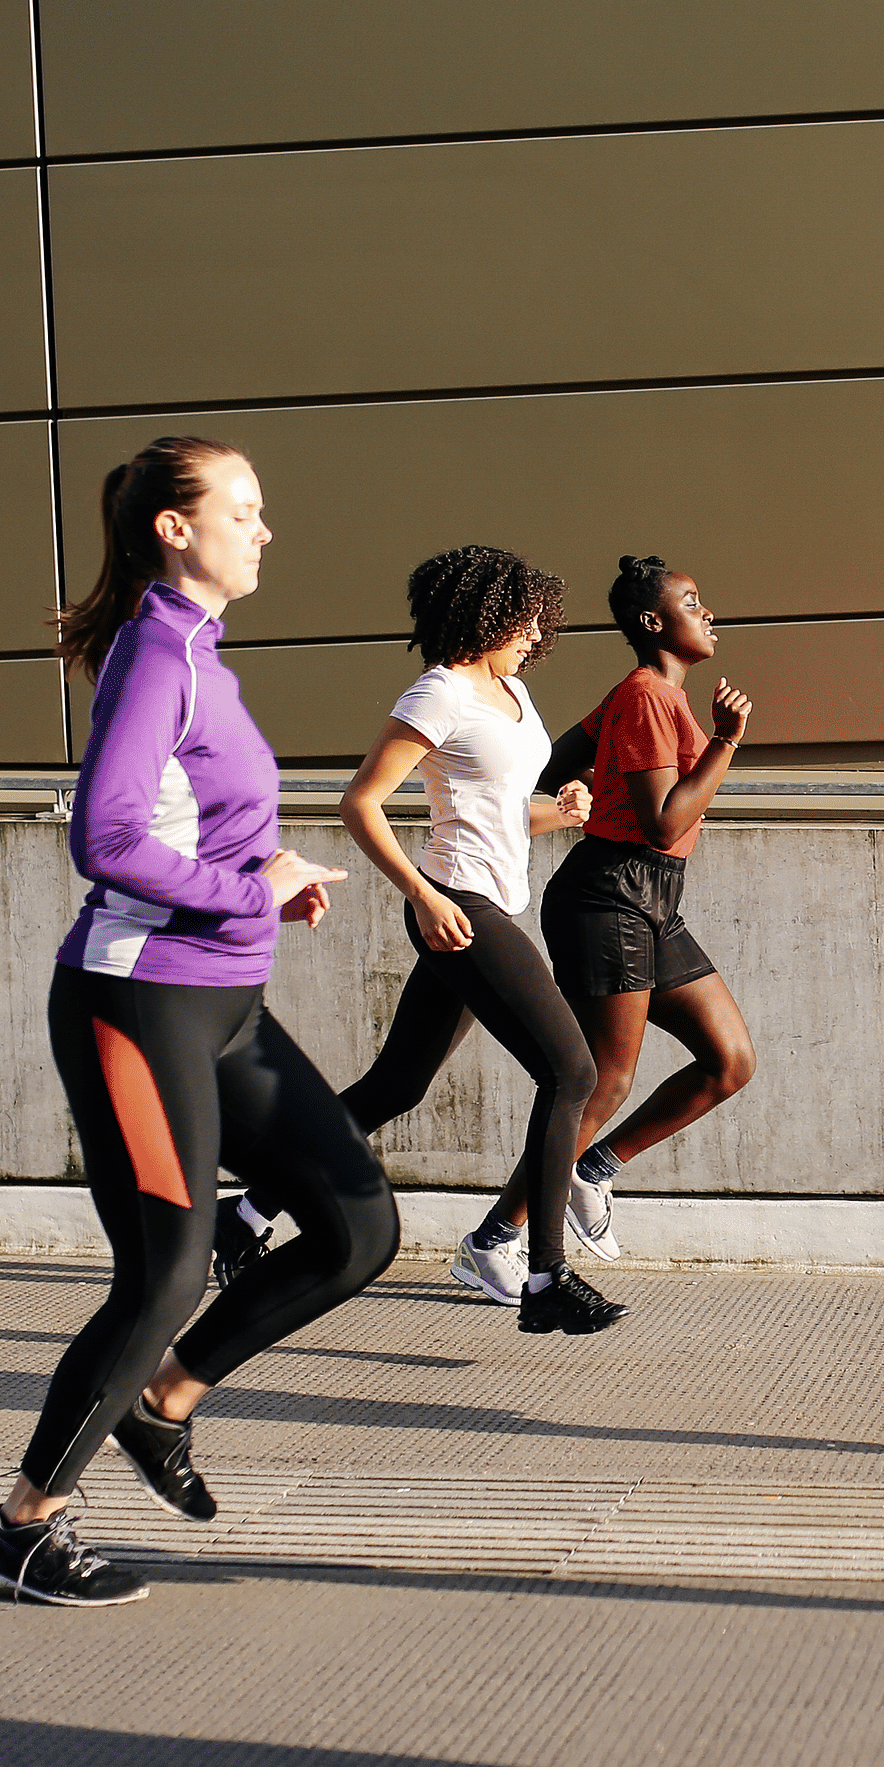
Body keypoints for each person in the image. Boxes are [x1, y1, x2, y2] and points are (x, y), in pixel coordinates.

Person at [0, 437, 402, 1605]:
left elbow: (200, 822)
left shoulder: (205, 658)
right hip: (137, 1001)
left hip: (227, 1004)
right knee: (161, 1274)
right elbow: (106, 840)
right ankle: (24, 1523)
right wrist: (246, 888)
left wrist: (268, 865)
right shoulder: (154, 653)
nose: (265, 531)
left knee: (358, 1229)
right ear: (175, 527)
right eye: (245, 509)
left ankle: (164, 1401)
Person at [291, 543, 619, 1335]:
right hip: (459, 905)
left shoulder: (509, 692)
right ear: (485, 613)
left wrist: (562, 809)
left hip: (494, 900)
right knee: (573, 1069)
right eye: (524, 618)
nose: (536, 634)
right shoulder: (438, 692)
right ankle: (542, 1275)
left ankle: (250, 1210)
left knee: (398, 1084)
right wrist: (422, 893)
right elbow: (361, 803)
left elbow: (504, 807)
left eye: (541, 620)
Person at [522, 557, 757, 1273]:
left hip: (654, 898)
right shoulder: (650, 695)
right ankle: (497, 1239)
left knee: (728, 1061)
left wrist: (579, 782)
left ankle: (593, 1170)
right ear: (654, 622)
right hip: (611, 894)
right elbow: (661, 823)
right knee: (603, 1080)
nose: (708, 611)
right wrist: (725, 742)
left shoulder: (653, 698)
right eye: (693, 601)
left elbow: (557, 755)